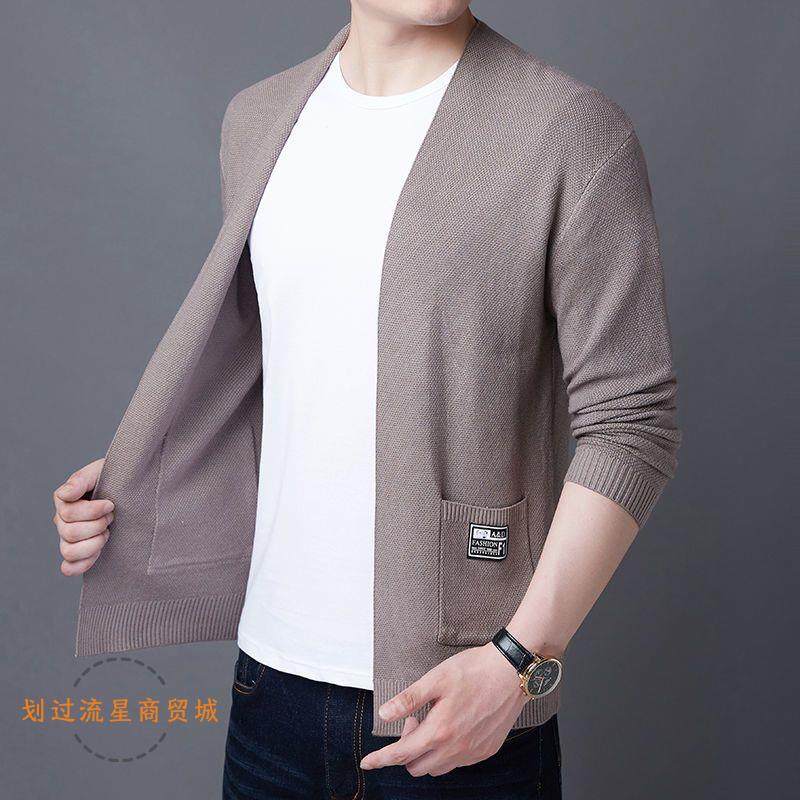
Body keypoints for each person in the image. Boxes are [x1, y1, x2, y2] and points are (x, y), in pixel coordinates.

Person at [52, 2, 680, 797]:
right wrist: (138, 483)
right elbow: (304, 374)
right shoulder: (259, 119)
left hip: (458, 700)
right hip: (269, 690)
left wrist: (519, 659)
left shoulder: (569, 130)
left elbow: (632, 422)